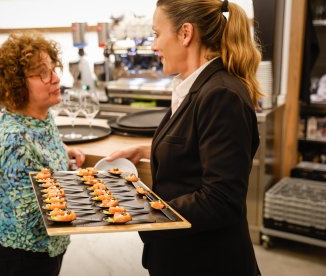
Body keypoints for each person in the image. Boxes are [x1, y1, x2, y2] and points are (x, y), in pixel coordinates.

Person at [106, 0, 262, 275]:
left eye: (156, 34)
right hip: (180, 255)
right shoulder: (195, 86)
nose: (153, 46)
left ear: (185, 33)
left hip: (207, 262)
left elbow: (221, 200)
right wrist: (147, 149)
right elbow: (196, 147)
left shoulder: (221, 94)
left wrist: (142, 212)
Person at [0, 32, 85, 276]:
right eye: (43, 73)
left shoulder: (40, 116)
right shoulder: (14, 142)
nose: (56, 78)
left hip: (47, 254)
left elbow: (40, 155)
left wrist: (63, 152)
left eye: (53, 68)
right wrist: (93, 193)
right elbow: (35, 217)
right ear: (17, 84)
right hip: (21, 261)